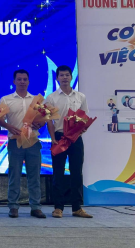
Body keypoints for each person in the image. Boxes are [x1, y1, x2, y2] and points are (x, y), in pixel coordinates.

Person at [0, 70, 46, 219]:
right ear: (14, 82)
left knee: (34, 176)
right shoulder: (6, 99)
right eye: (19, 79)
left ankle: (36, 207)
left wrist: (39, 124)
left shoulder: (36, 100)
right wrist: (8, 126)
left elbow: (44, 119)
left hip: (33, 141)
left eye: (25, 79)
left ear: (29, 81)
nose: (22, 82)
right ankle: (13, 206)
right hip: (15, 141)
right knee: (14, 175)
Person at [47, 65, 93, 219]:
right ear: (57, 78)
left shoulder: (80, 96)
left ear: (71, 77)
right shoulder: (51, 98)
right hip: (59, 137)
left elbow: (84, 117)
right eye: (61, 75)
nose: (65, 77)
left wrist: (82, 129)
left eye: (67, 75)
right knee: (58, 172)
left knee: (76, 172)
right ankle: (58, 207)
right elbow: (49, 120)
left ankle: (77, 207)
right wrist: (53, 138)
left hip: (75, 138)